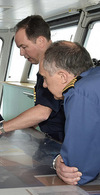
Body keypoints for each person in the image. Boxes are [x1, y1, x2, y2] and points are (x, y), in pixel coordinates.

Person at [0, 15, 65, 146]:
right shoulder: (45, 67)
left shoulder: (57, 66)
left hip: (62, 142)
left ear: (41, 41)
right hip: (50, 138)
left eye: (24, 46)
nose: (21, 53)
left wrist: (1, 128)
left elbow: (43, 112)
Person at [40, 40, 100, 185]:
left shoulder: (80, 92)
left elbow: (77, 171)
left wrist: (57, 162)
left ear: (62, 76)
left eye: (45, 78)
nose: (44, 85)